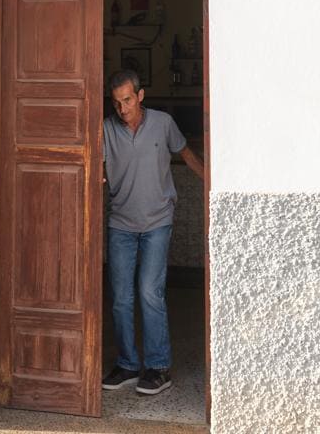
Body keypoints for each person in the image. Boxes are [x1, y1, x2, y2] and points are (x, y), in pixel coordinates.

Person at [101, 68, 204, 396]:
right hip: (121, 223)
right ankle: (128, 363)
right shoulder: (106, 129)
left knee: (149, 291)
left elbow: (184, 151)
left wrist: (211, 181)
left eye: (128, 100)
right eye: (117, 103)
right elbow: (91, 162)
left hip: (158, 221)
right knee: (120, 297)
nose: (123, 109)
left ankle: (158, 367)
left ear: (140, 96)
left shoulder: (162, 123)